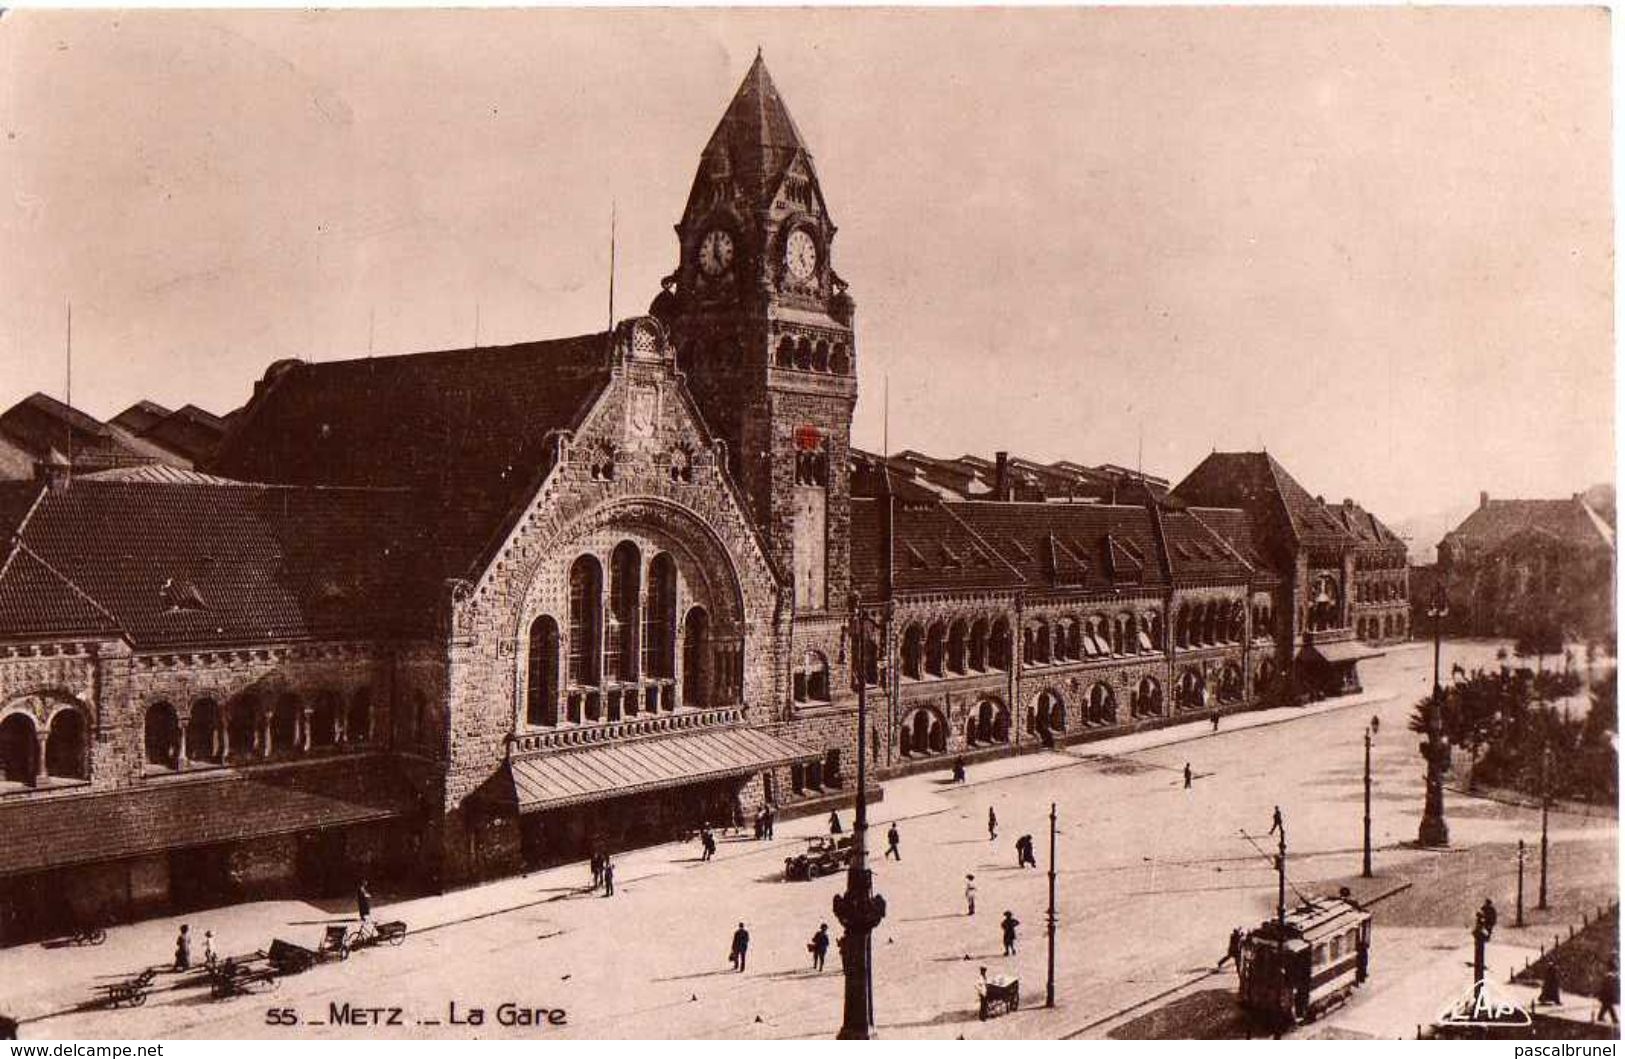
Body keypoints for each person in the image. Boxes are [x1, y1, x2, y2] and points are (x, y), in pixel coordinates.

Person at [1598, 959, 1620, 1024]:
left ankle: (1600, 1017)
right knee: (1608, 1006)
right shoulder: (1610, 976)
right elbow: (1609, 987)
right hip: (1607, 995)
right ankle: (1614, 1019)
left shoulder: (1609, 976)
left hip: (1606, 995)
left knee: (1606, 1006)